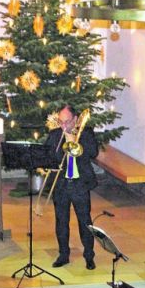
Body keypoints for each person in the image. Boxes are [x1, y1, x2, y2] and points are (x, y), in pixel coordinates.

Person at [44, 105, 99, 269]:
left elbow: (93, 152)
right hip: (61, 184)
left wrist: (76, 145)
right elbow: (48, 155)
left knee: (85, 222)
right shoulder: (55, 135)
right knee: (61, 221)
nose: (63, 126)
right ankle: (63, 254)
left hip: (79, 184)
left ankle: (89, 256)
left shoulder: (86, 133)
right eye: (60, 122)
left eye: (67, 122)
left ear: (75, 120)